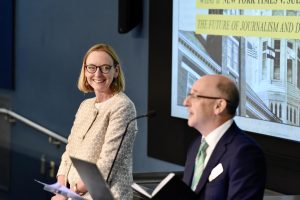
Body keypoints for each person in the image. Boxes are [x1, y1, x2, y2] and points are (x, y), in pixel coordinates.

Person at [51, 44, 137, 200]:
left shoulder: (123, 106)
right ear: (85, 71)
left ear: (115, 71)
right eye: (91, 67)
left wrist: (72, 190)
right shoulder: (85, 106)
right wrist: (61, 189)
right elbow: (70, 150)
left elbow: (108, 163)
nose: (98, 74)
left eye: (105, 68)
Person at [182, 74, 266, 200]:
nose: (186, 102)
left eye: (195, 96)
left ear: (219, 106)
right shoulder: (196, 145)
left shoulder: (245, 153)